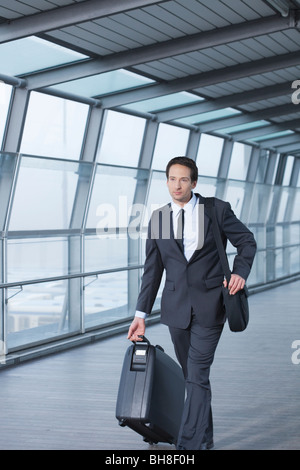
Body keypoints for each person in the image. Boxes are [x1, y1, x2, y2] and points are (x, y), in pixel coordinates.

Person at [127, 156, 256, 450]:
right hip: (175, 310)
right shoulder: (159, 218)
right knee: (193, 380)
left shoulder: (216, 210)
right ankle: (205, 440)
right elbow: (153, 270)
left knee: (197, 375)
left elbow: (247, 241)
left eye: (183, 179)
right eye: (172, 179)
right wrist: (140, 314)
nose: (177, 185)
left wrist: (240, 272)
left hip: (211, 307)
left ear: (194, 182)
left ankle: (187, 447)